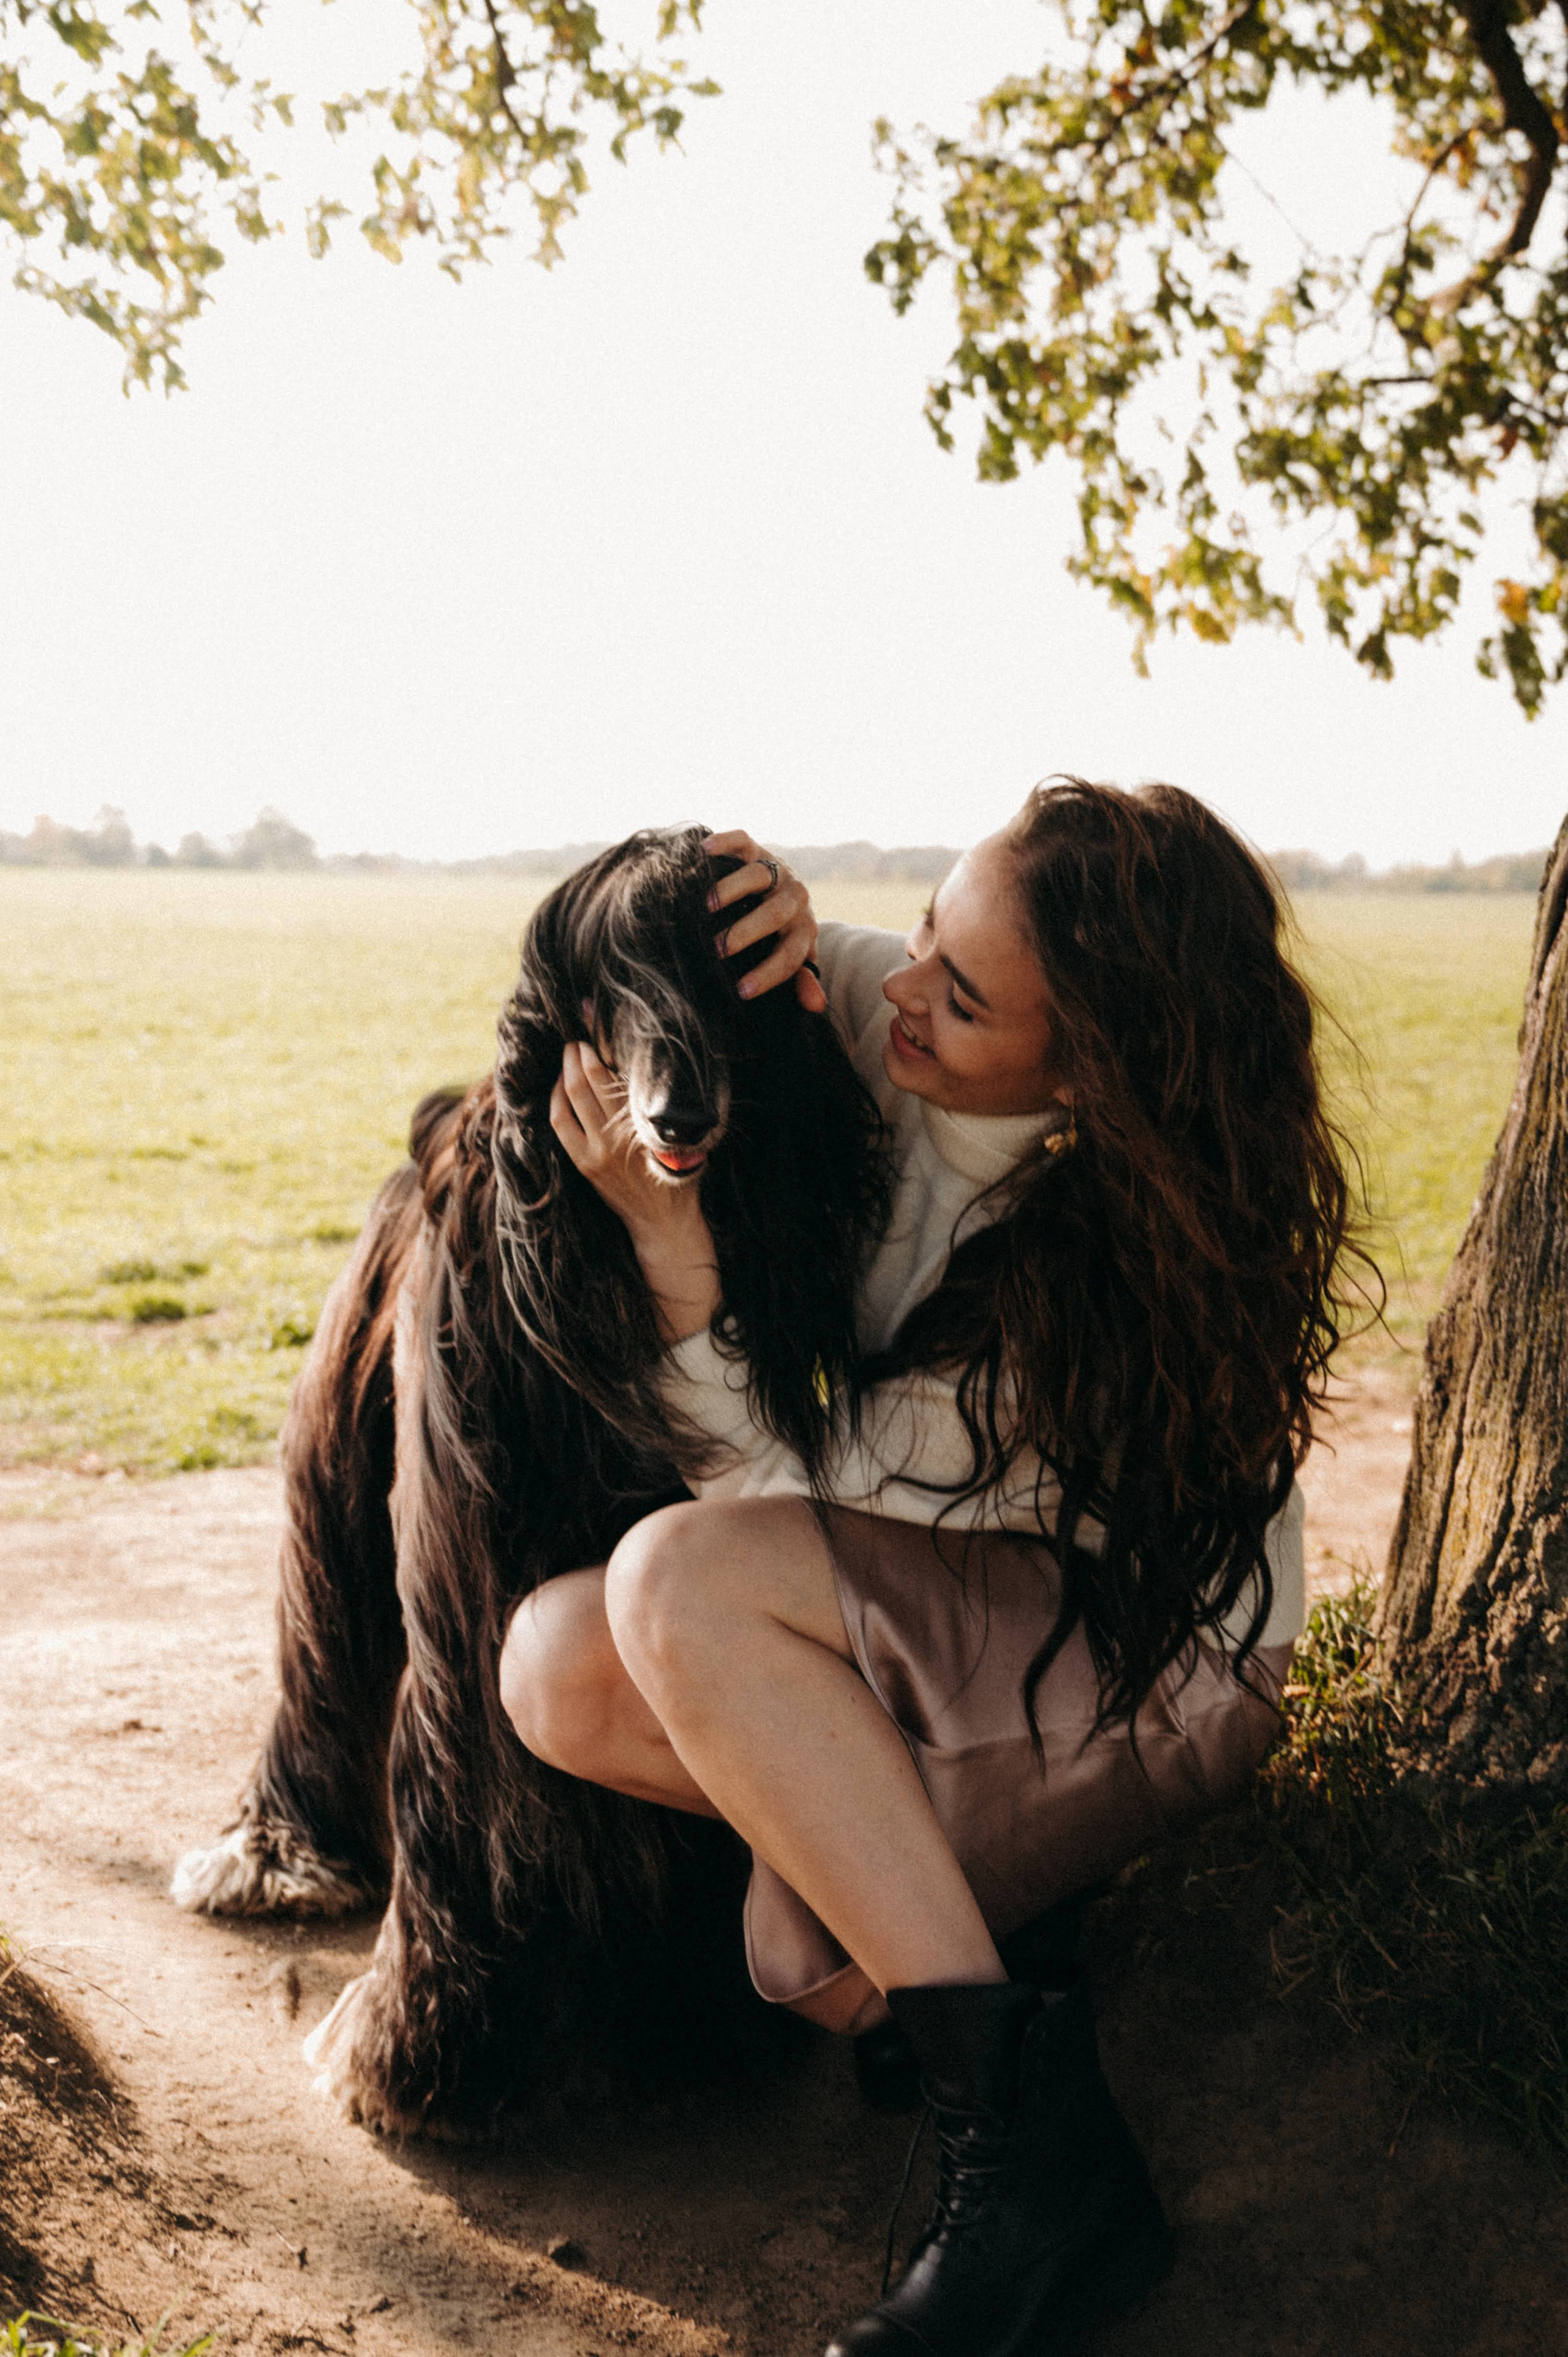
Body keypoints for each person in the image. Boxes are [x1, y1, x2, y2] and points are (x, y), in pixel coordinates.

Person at [497, 779, 1356, 2357]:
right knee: (552, 1664)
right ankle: (959, 1935)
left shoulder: (1095, 1278)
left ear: (1089, 1069)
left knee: (680, 1590)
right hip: (962, 1611)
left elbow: (779, 1507)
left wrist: (673, 1259)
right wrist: (747, 906)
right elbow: (822, 965)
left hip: (1154, 1670)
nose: (900, 987)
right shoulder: (915, 1016)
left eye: (957, 994)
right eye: (927, 932)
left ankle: (1036, 2178)